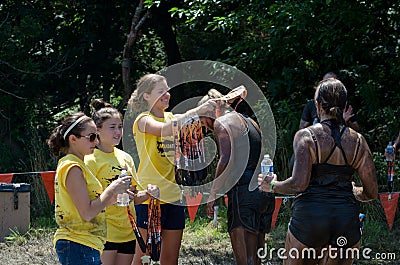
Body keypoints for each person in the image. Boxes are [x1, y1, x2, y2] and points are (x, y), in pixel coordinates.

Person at [259, 78, 378, 265]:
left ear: (317, 106)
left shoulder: (306, 137)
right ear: (345, 105)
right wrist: (354, 191)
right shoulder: (359, 142)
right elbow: (371, 192)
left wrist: (272, 185)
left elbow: (299, 184)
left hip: (310, 220)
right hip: (346, 221)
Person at [128, 73, 213, 265]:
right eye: (160, 91)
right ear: (146, 96)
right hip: (149, 197)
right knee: (143, 258)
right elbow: (164, 129)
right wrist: (198, 109)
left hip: (173, 196)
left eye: (167, 90)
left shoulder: (172, 116)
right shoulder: (142, 120)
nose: (167, 94)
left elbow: (186, 124)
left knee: (170, 259)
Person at [200, 88, 275, 265]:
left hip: (243, 194)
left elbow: (225, 159)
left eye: (202, 118)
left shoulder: (222, 123)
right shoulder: (251, 122)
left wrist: (213, 194)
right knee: (256, 259)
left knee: (245, 260)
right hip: (263, 193)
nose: (203, 124)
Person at [47, 112, 132, 265]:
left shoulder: (78, 164)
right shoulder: (72, 167)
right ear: (73, 139)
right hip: (78, 242)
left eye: (97, 136)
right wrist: (112, 189)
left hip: (85, 243)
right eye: (91, 137)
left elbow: (92, 205)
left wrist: (114, 198)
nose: (96, 141)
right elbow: (87, 213)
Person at [84, 99, 159, 265]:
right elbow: (88, 204)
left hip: (128, 233)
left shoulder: (126, 158)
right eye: (112, 127)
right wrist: (113, 194)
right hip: (103, 233)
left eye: (120, 126)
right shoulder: (90, 160)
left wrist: (148, 193)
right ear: (98, 130)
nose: (118, 132)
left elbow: (134, 197)